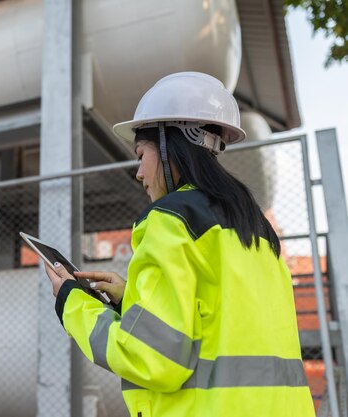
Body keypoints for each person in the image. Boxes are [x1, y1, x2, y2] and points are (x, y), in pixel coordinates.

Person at [45, 72, 315, 416]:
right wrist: (132, 299)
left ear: (170, 144)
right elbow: (220, 320)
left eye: (141, 154)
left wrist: (72, 303)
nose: (139, 172)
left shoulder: (170, 220)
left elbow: (150, 357)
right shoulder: (255, 227)